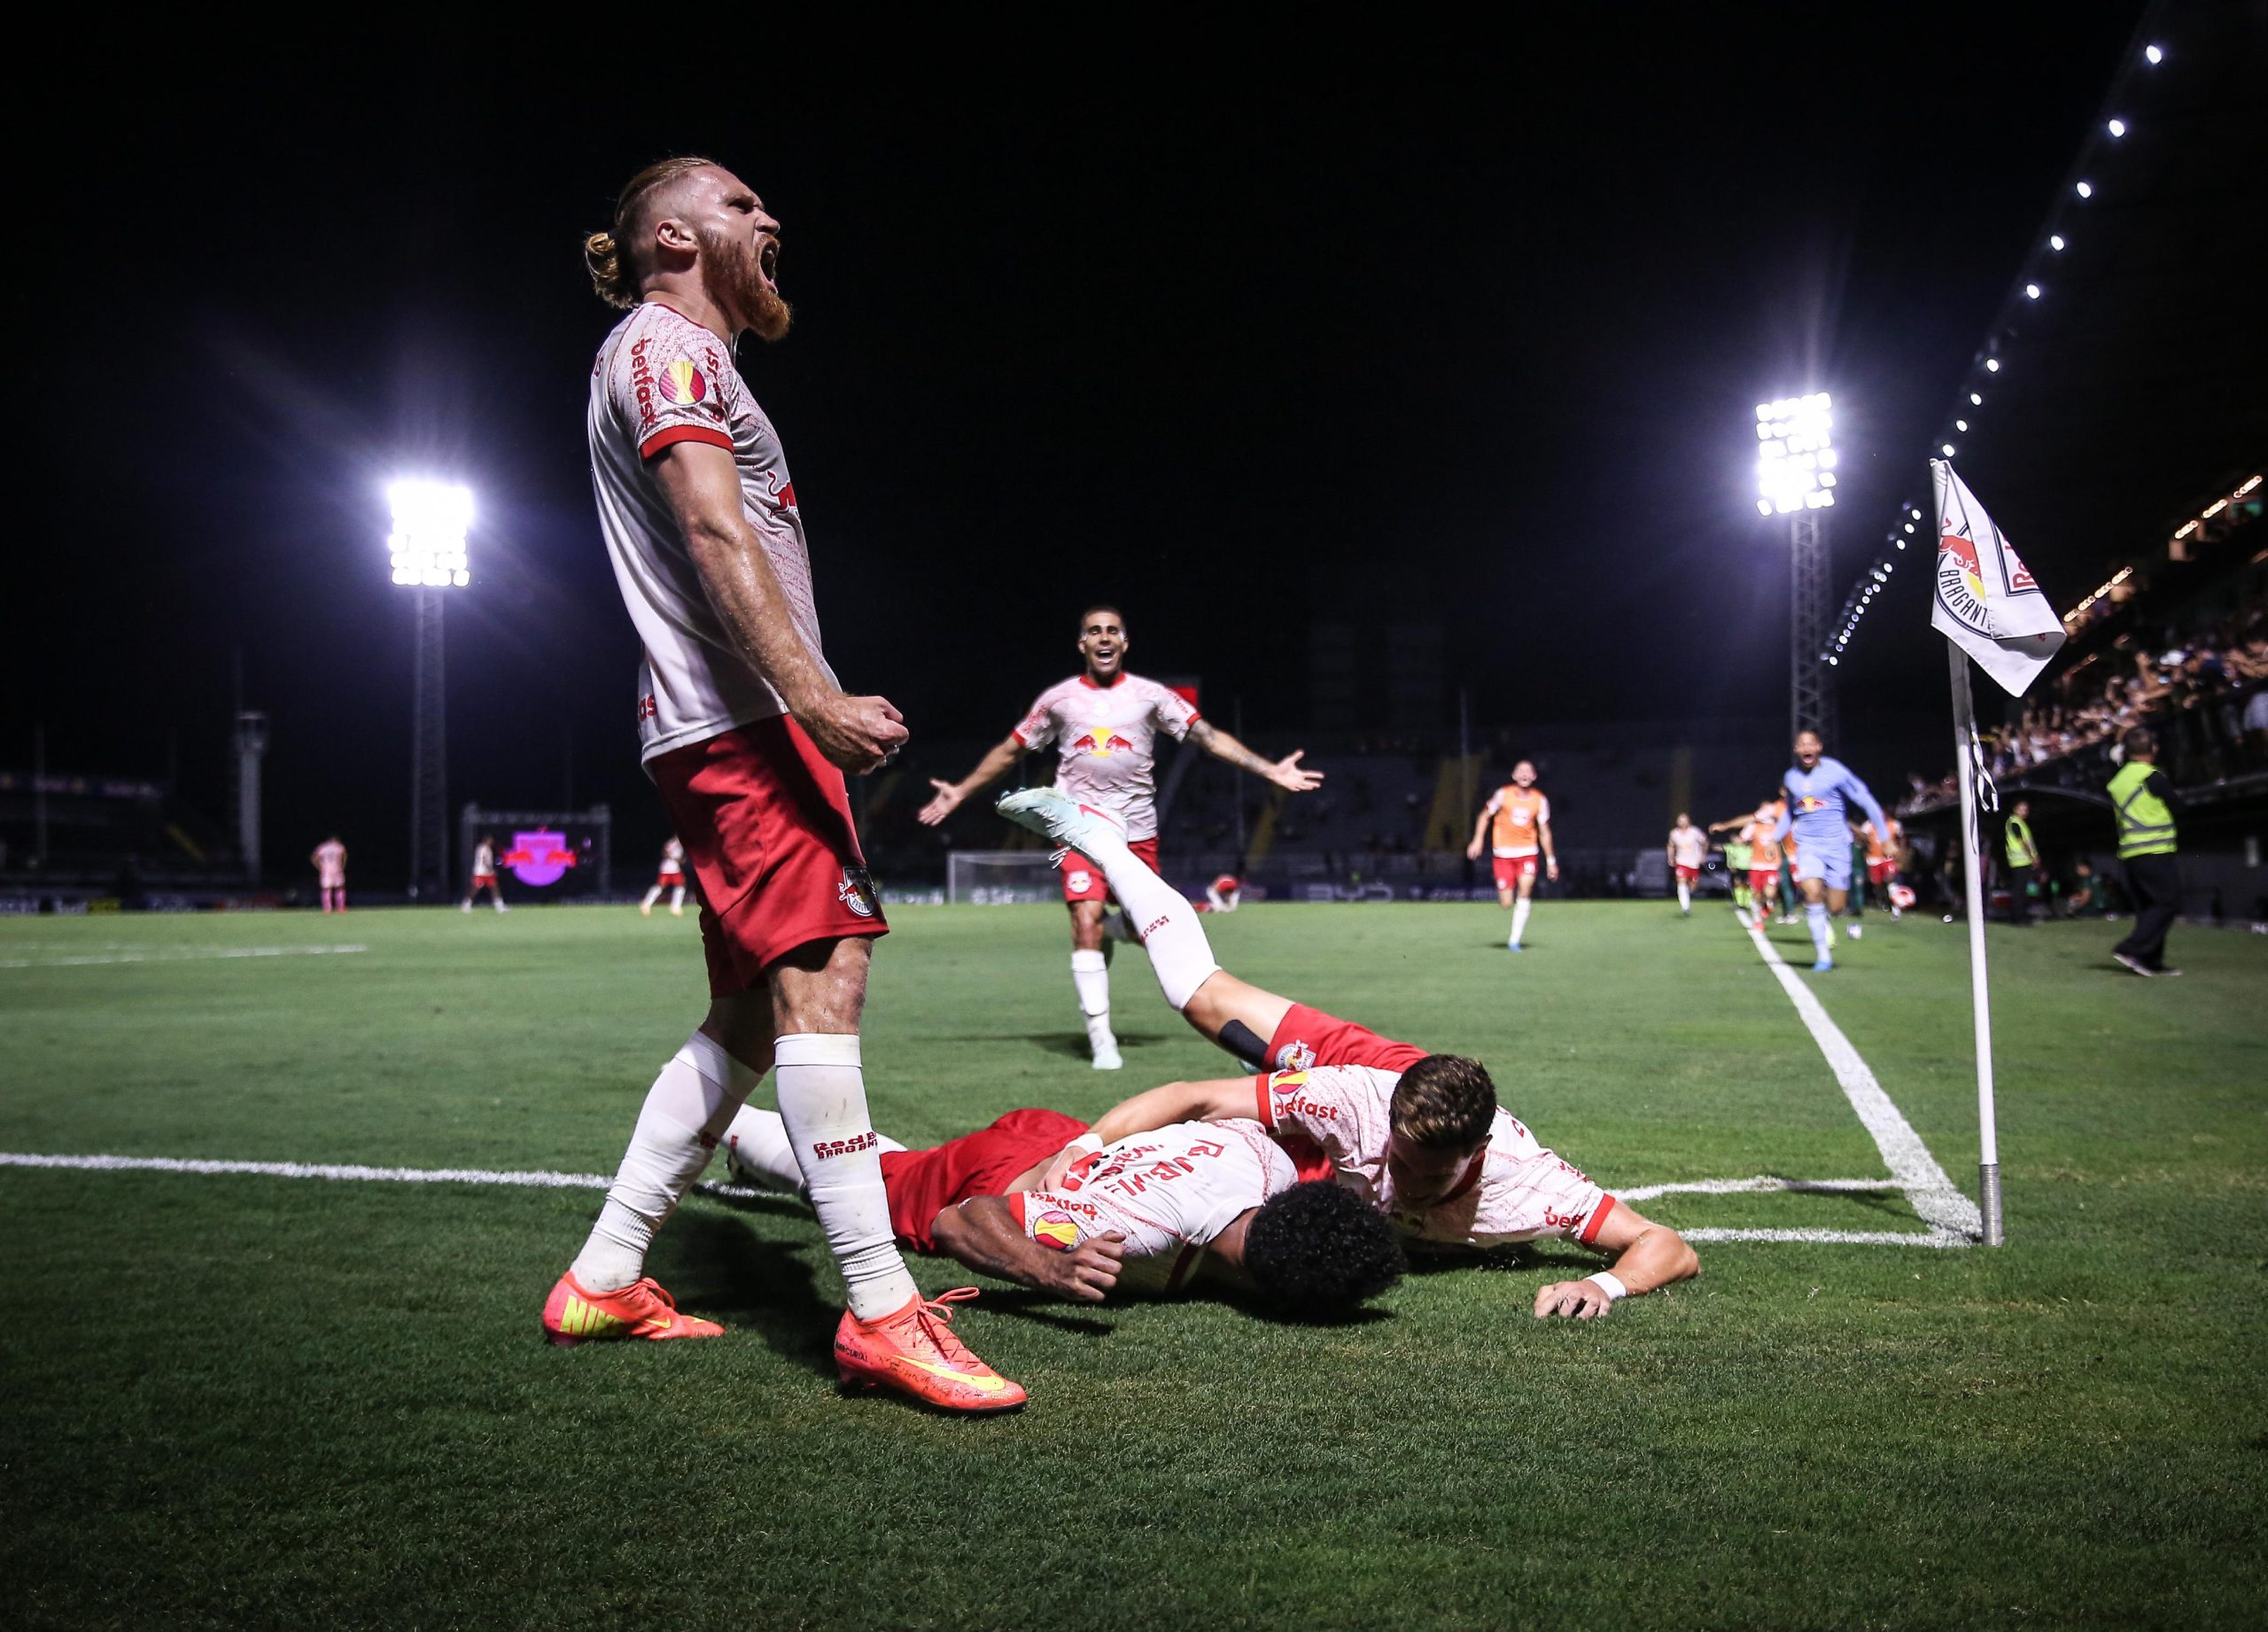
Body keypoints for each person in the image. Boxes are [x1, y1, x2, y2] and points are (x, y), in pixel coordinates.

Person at [554, 155, 1021, 1413]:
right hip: (743, 722)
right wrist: (811, 696)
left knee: (756, 1014)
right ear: (670, 234)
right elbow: (710, 528)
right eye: (742, 204)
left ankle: (603, 1273)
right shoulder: (666, 349)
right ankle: (878, 1312)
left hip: (728, 720)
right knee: (826, 978)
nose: (772, 219)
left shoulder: (688, 360)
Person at [996, 786, 1700, 1317]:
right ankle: (1102, 841)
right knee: (1202, 999)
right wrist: (1086, 1145)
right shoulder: (1361, 1104)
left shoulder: (1533, 1185)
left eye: (1426, 1178)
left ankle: (1136, 930)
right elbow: (1194, 1097)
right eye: (1402, 1164)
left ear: (1475, 1155)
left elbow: (1667, 1244)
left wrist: (1601, 1282)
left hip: (1400, 1097)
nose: (1407, 1185)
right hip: (1372, 1073)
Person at [916, 605, 1323, 1070]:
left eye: (1113, 631)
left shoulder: (1152, 696)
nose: (1103, 637)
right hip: (1078, 828)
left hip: (1137, 833)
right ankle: (1101, 1040)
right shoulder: (1058, 700)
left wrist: (1269, 768)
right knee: (1083, 919)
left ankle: (1123, 936)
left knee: (1150, 933)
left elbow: (1206, 736)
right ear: (1082, 644)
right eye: (1094, 631)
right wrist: (961, 791)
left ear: (1125, 643)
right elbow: (1011, 751)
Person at [720, 1103, 1403, 1317]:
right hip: (997, 1176)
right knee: (854, 1187)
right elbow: (960, 1220)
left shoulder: (1268, 1165)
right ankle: (730, 1124)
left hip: (1060, 1135)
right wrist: (1048, 1270)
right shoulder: (1134, 1240)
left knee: (888, 1164)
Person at [1772, 731, 1890, 973]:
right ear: (1796, 749)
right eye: (1801, 744)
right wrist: (1775, 838)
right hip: (1808, 844)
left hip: (1837, 845)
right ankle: (1823, 956)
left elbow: (1864, 798)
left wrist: (1885, 836)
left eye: (1811, 744)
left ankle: (1824, 916)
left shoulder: (1835, 771)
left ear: (1819, 747)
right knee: (1811, 893)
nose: (1806, 748)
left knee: (1836, 907)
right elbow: (1790, 812)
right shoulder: (1791, 778)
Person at [2107, 727, 2182, 977]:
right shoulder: (2152, 776)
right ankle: (2131, 948)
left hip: (2130, 853)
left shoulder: (2117, 781)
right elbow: (2177, 807)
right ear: (2152, 749)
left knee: (2149, 907)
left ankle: (2151, 961)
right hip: (2156, 849)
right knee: (2167, 902)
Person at [1464, 761, 1557, 951]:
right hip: (1503, 855)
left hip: (1527, 853)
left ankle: (1514, 940)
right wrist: (1477, 840)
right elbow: (1484, 816)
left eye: (1528, 772)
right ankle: (1511, 900)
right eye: (1520, 771)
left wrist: (1551, 861)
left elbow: (1544, 831)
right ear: (1514, 776)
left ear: (1534, 777)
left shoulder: (1540, 800)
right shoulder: (1502, 795)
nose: (1524, 774)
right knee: (1506, 903)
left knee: (1525, 891)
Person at [1734, 804, 1783, 932]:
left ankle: (1769, 904)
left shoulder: (1778, 826)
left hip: (1772, 865)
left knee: (1770, 892)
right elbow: (1743, 839)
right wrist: (1740, 841)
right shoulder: (1753, 826)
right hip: (1756, 865)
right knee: (1757, 894)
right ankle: (1758, 921)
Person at [2000, 799, 2043, 926]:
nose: (2024, 812)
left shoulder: (2019, 823)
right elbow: (2023, 842)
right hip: (2020, 861)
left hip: (2022, 860)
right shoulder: (2015, 823)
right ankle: (2019, 918)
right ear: (2015, 809)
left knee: (2021, 890)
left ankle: (2018, 917)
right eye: (2021, 809)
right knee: (2019, 891)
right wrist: (2033, 856)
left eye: (2026, 809)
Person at [1859, 813, 1904, 918]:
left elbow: (1901, 837)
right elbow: (1863, 838)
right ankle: (1883, 899)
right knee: (1877, 883)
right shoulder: (1868, 824)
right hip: (1873, 859)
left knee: (1890, 879)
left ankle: (1896, 908)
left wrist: (1899, 850)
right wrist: (1866, 849)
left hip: (1887, 857)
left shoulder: (1895, 824)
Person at [1666, 813, 1706, 916]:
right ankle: (1685, 906)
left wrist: (1703, 855)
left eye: (1684, 820)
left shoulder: (1695, 832)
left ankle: (1687, 894)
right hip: (1681, 862)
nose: (1682, 823)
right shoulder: (1674, 833)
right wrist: (1670, 857)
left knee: (1693, 887)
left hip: (1694, 862)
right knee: (1681, 882)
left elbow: (1705, 842)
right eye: (1680, 820)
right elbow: (1671, 845)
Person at [641, 836, 688, 917]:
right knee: (660, 886)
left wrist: (681, 860)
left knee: (681, 885)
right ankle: (646, 904)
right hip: (667, 869)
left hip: (675, 869)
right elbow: (665, 852)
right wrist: (676, 858)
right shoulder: (673, 843)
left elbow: (681, 858)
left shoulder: (681, 844)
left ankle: (675, 907)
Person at [462, 834, 507, 913]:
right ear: (486, 840)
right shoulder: (483, 848)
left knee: (494, 888)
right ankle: (466, 904)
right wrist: (491, 869)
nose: (492, 841)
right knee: (475, 889)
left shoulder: (487, 848)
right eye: (490, 840)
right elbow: (484, 860)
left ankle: (499, 906)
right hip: (480, 873)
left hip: (488, 874)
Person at [311, 836, 346, 914]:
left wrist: (319, 867)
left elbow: (314, 858)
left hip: (326, 871)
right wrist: (342, 866)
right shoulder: (339, 847)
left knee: (326, 889)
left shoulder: (322, 847)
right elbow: (344, 856)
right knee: (339, 888)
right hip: (337, 870)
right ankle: (341, 907)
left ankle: (327, 908)